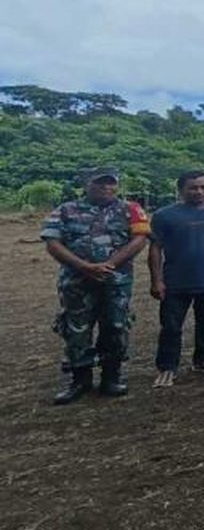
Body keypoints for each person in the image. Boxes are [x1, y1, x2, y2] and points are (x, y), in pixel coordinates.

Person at [41, 167, 150, 403]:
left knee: (116, 327)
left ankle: (112, 376)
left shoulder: (130, 209)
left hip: (116, 283)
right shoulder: (66, 210)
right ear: (86, 184)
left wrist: (109, 265)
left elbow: (139, 239)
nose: (106, 187)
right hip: (76, 283)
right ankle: (80, 380)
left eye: (111, 183)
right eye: (100, 183)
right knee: (76, 330)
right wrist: (83, 266)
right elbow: (52, 242)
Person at [148, 170, 204, 388]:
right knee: (171, 327)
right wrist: (156, 280)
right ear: (181, 190)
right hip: (175, 282)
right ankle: (167, 368)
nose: (199, 191)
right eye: (193, 187)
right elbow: (156, 248)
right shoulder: (164, 215)